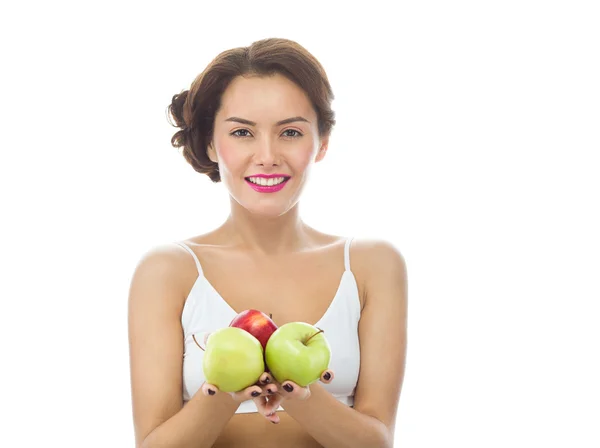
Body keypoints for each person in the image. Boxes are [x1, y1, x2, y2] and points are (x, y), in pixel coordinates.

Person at [128, 37, 408, 448]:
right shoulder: (169, 271)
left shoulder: (372, 266)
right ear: (210, 142)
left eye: (290, 132)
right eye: (242, 132)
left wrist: (299, 394)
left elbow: (377, 441)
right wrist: (224, 392)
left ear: (322, 142)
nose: (267, 156)